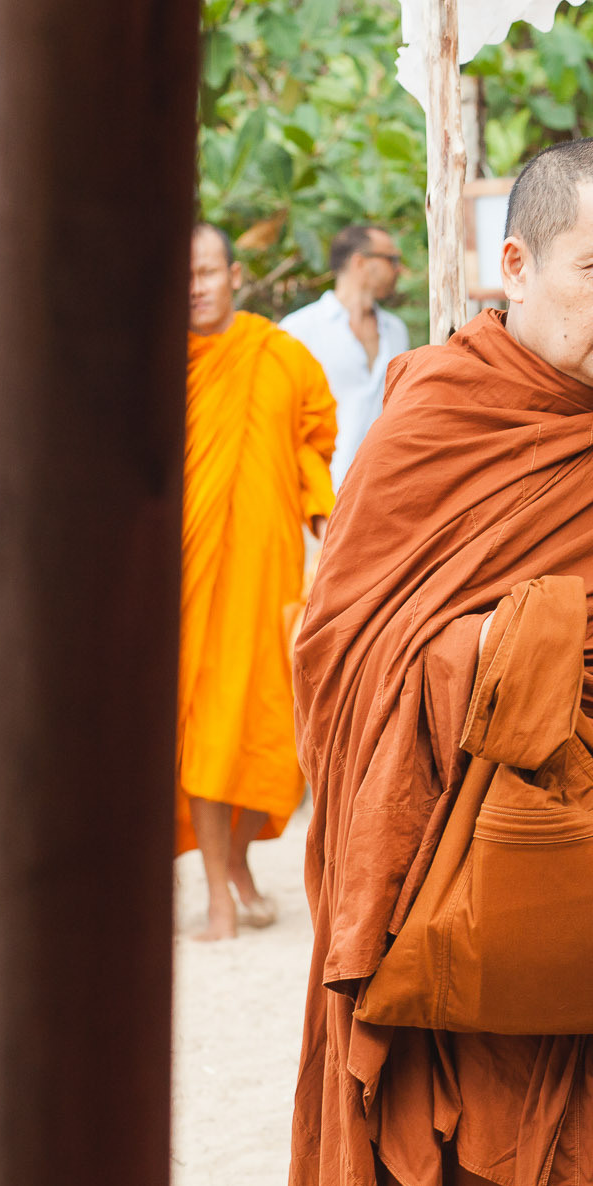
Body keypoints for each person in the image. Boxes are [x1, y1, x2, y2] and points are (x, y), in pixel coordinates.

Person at [290, 138, 593, 1186]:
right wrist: (490, 659)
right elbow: (340, 657)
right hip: (469, 909)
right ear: (515, 268)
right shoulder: (437, 419)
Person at [179, 222, 337, 940]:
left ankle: (238, 863)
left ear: (234, 274)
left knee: (269, 734)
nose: (196, 286)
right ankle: (217, 893)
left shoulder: (278, 355)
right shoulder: (156, 364)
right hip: (191, 580)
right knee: (207, 732)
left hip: (267, 570)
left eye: (207, 271)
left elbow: (313, 443)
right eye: (183, 275)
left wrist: (324, 518)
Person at [280, 224, 411, 492]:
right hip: (319, 496)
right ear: (360, 262)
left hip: (383, 493)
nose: (398, 269)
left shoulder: (396, 331)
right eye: (391, 259)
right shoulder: (297, 330)